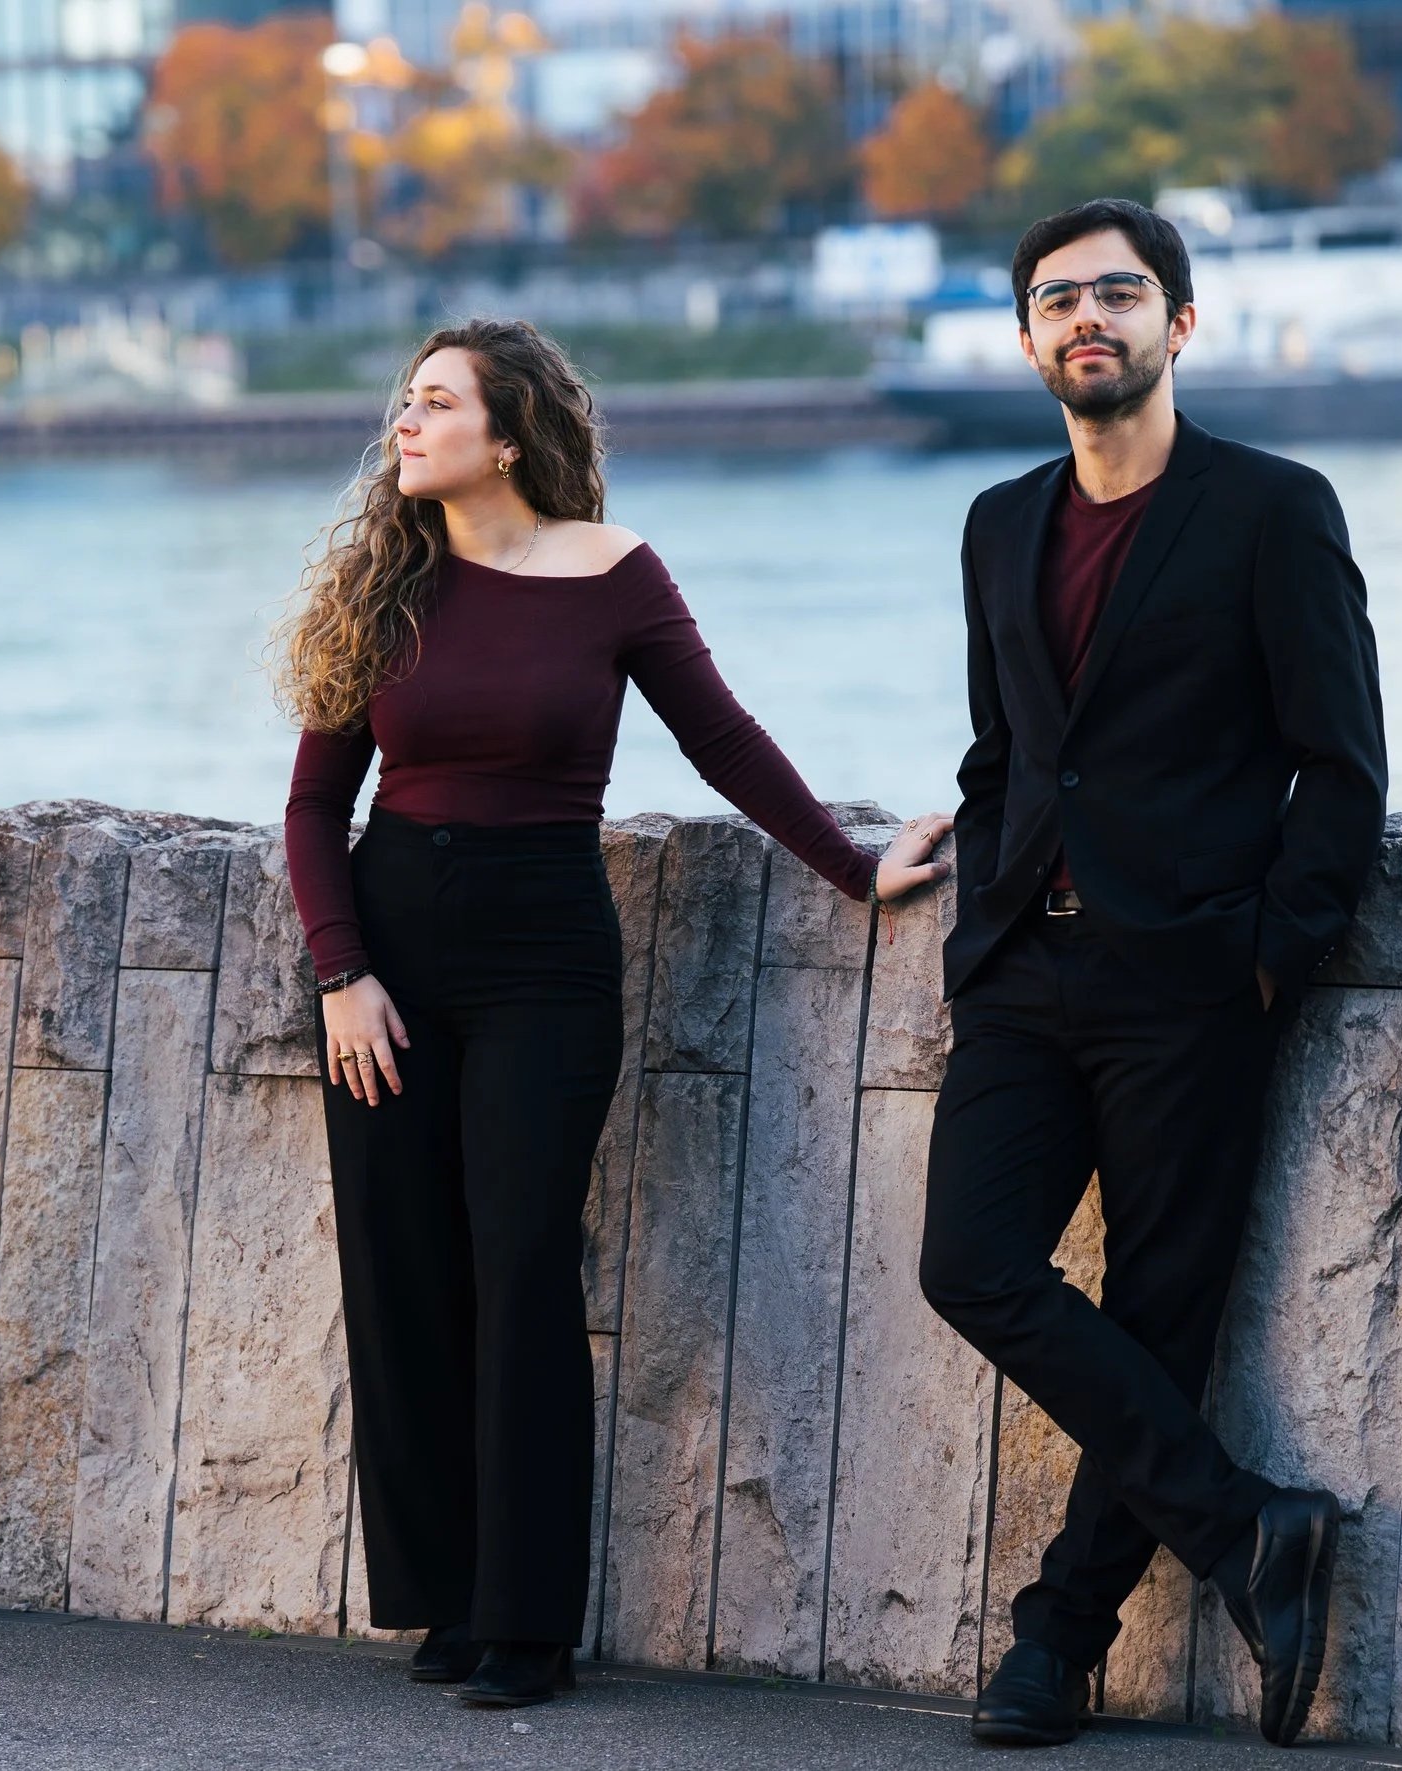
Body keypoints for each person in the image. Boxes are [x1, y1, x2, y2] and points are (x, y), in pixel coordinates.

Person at [276, 318, 949, 1710]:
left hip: (544, 956)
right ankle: (442, 1598)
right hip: (388, 949)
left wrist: (856, 862)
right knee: (405, 1276)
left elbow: (724, 738)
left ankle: (527, 1622)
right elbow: (310, 807)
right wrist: (342, 974)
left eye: (433, 403)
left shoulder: (614, 575)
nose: (401, 425)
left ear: (507, 432)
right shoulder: (385, 584)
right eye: (404, 402)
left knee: (522, 1266)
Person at [906, 198, 1387, 1748]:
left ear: (1180, 324)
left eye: (1120, 292)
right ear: (1031, 338)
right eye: (1059, 300)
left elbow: (1345, 766)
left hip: (1193, 982)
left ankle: (1058, 1642)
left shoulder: (1271, 508)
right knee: (969, 1265)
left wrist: (1270, 959)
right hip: (1023, 975)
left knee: (1161, 1308)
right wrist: (978, 882)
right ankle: (1250, 1525)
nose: (1086, 318)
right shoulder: (996, 520)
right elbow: (1004, 749)